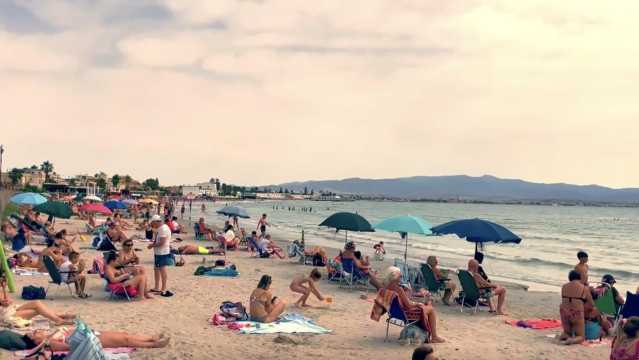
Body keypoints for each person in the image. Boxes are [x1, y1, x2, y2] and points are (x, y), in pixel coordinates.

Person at [384, 266, 445, 343]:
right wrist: (418, 303)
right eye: (400, 276)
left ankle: (429, 334)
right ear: (395, 277)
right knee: (431, 309)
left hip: (394, 313)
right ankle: (434, 337)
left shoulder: (386, 288)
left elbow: (401, 302)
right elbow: (409, 305)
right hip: (406, 314)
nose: (401, 277)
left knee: (426, 305)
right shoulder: (399, 289)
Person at [1, 275, 75, 326]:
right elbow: (5, 304)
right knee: (37, 310)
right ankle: (58, 318)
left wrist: (4, 289)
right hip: (6, 315)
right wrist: (4, 294)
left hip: (11, 309)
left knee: (37, 303)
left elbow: (8, 302)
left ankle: (59, 317)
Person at [24, 327, 170, 351]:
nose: (36, 331)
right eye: (34, 333)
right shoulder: (48, 343)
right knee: (124, 341)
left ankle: (151, 338)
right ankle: (154, 345)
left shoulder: (50, 335)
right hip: (88, 340)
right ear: (36, 341)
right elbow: (69, 347)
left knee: (124, 334)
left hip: (89, 333)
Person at [558, 270, 592, 345]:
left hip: (564, 312)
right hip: (576, 313)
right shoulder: (584, 288)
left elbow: (565, 299)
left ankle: (564, 336)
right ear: (579, 278)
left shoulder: (564, 286)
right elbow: (591, 304)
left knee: (567, 332)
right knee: (581, 336)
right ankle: (571, 341)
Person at [148, 215, 173, 297]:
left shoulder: (163, 229)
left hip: (163, 252)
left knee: (162, 269)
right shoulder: (161, 228)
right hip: (158, 252)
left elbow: (162, 242)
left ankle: (163, 288)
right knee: (156, 269)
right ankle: (156, 287)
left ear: (156, 222)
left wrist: (152, 245)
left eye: (153, 223)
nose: (153, 225)